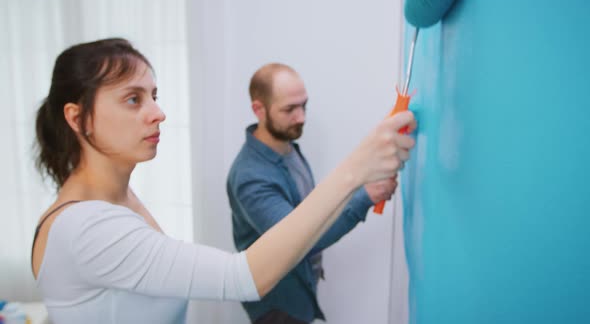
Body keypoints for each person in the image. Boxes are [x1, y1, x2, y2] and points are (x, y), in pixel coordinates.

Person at [31, 38, 416, 324]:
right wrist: (357, 172)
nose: (158, 112)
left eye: (154, 95)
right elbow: (242, 278)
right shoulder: (87, 228)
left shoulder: (120, 196)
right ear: (77, 118)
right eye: (134, 99)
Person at [227, 63, 400, 324]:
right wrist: (364, 197)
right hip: (278, 309)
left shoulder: (288, 148)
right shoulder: (251, 177)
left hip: (300, 297)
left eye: (303, 105)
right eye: (289, 109)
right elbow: (299, 240)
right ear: (258, 110)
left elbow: (312, 211)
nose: (301, 117)